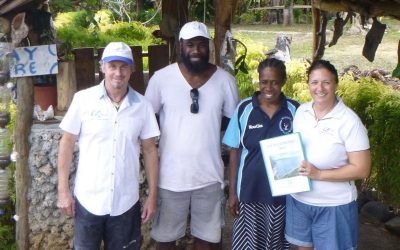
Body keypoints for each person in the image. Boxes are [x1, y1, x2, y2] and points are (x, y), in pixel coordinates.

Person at [144, 21, 239, 250]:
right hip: (169, 177)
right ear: (180, 47)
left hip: (209, 176)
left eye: (201, 44)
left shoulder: (225, 81)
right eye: (190, 45)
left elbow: (231, 125)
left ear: (209, 47)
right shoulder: (161, 79)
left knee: (206, 241)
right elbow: (147, 120)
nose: (196, 50)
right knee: (165, 241)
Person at [57, 42, 160, 250]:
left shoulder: (143, 106)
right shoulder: (83, 100)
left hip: (126, 202)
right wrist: (63, 191)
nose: (118, 73)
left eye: (124, 67)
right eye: (112, 66)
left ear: (132, 70)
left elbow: (150, 150)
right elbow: (67, 143)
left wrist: (152, 196)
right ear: (102, 67)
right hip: (88, 200)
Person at [285, 60, 371, 250]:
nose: (320, 88)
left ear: (336, 85)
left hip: (334, 205)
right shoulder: (301, 112)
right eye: (314, 82)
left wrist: (319, 174)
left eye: (326, 82)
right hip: (299, 200)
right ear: (308, 84)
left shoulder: (349, 121)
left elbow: (362, 169)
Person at [222, 58, 299, 250]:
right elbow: (234, 152)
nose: (269, 87)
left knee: (279, 244)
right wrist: (232, 193)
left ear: (283, 81)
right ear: (259, 80)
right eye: (264, 81)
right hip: (250, 193)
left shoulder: (295, 110)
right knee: (249, 245)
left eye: (274, 81)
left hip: (283, 195)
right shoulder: (244, 109)